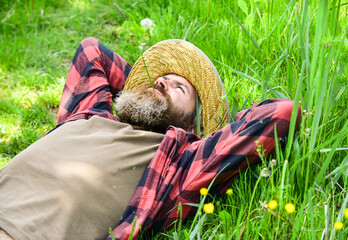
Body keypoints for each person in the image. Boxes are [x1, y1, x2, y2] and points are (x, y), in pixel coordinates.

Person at [0, 38, 300, 240]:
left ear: (193, 124)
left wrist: (210, 126)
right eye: (158, 79)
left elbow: (282, 113)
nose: (160, 82)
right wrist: (141, 93)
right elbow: (92, 51)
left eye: (178, 87)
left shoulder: (178, 163)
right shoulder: (91, 113)